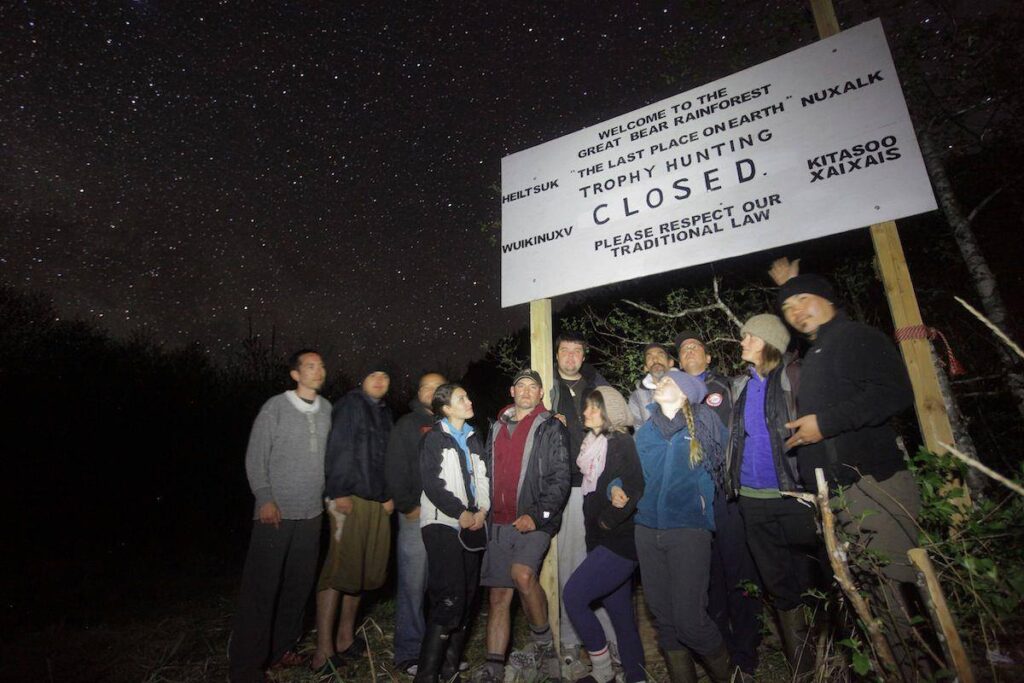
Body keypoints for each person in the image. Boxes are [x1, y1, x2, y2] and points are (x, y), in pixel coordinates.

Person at [779, 274, 922, 672]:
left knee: (897, 595)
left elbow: (893, 393)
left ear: (827, 297)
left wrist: (823, 424)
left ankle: (919, 670)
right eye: (788, 309)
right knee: (868, 598)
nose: (795, 313)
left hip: (873, 486)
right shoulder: (816, 354)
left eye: (802, 300)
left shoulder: (855, 336)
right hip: (840, 495)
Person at [726, 314, 821, 680]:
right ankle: (804, 667)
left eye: (748, 336)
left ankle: (831, 653)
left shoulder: (794, 377)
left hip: (793, 494)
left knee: (811, 577)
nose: (742, 342)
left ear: (766, 341)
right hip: (751, 498)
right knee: (777, 583)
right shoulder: (740, 386)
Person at [229, 350, 331, 683]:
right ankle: (246, 666)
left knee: (298, 587)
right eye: (310, 366)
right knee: (261, 589)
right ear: (295, 374)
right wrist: (265, 498)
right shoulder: (275, 407)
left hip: (311, 513)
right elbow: (256, 456)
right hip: (276, 513)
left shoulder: (328, 409)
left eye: (321, 366)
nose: (318, 371)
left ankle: (283, 650)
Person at [633, 369, 732, 683]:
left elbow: (731, 457)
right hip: (647, 530)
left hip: (688, 529)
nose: (660, 383)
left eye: (669, 381)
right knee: (665, 621)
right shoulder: (645, 431)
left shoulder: (703, 424)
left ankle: (733, 676)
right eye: (659, 382)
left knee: (690, 620)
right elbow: (630, 473)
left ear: (686, 393)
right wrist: (616, 487)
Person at [675, 329, 762, 678]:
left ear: (708, 357)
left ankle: (747, 651)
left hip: (727, 496)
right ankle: (719, 650)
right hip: (694, 502)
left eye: (695, 347)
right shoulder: (674, 395)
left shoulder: (729, 387)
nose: (689, 352)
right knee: (708, 578)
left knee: (739, 571)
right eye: (682, 351)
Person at [476, 369, 571, 683]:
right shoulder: (495, 428)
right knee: (499, 597)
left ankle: (544, 647)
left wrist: (539, 515)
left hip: (534, 521)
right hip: (498, 523)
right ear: (512, 391)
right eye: (521, 385)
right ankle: (493, 666)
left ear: (541, 393)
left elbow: (560, 478)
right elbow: (483, 473)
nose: (527, 391)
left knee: (523, 574)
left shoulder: (551, 427)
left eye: (534, 386)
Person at [312, 365, 394, 674]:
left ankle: (345, 638)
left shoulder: (385, 413)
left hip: (376, 501)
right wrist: (338, 490)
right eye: (373, 374)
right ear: (362, 379)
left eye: (385, 377)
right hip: (349, 497)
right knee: (337, 571)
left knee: (360, 573)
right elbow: (338, 448)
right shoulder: (349, 404)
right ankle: (323, 651)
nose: (379, 380)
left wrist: (389, 494)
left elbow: (386, 457)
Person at [562, 387, 646, 683]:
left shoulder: (621, 442)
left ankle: (602, 671)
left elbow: (635, 486)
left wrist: (608, 521)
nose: (586, 413)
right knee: (621, 616)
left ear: (609, 412)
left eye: (594, 408)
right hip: (601, 542)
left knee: (572, 596)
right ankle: (637, 676)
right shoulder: (592, 444)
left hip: (619, 542)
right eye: (586, 408)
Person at [548, 332, 616, 677]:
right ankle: (573, 640)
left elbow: (616, 420)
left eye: (577, 351)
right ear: (556, 354)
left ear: (583, 354)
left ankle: (607, 639)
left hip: (600, 487)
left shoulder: (596, 384)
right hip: (568, 488)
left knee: (602, 563)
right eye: (565, 350)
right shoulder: (547, 386)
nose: (571, 357)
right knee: (570, 562)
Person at [415, 383, 490, 683]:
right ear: (445, 408)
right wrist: (460, 512)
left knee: (469, 596)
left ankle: (449, 670)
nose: (469, 400)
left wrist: (482, 511)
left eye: (468, 396)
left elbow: (482, 476)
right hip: (442, 524)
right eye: (462, 398)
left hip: (473, 523)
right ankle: (426, 675)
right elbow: (432, 484)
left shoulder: (473, 437)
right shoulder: (433, 438)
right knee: (450, 596)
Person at [385, 372, 448, 676]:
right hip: (416, 517)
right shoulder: (407, 424)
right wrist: (407, 504)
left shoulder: (450, 423)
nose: (432, 391)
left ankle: (440, 652)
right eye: (427, 387)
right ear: (419, 392)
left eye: (438, 387)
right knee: (413, 586)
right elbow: (395, 467)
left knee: (443, 587)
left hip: (447, 519)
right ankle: (409, 652)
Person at [627, 343, 676, 425]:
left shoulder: (685, 387)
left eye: (660, 355)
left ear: (670, 362)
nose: (655, 360)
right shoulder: (636, 397)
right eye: (649, 357)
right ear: (645, 368)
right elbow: (638, 431)